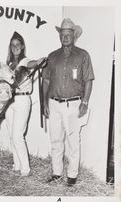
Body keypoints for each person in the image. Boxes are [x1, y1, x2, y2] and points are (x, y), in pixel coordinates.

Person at [42, 18, 95, 186]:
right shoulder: (52, 56)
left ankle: (72, 176)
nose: (65, 37)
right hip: (54, 104)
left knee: (73, 142)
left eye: (68, 34)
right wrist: (44, 102)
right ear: (60, 36)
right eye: (62, 34)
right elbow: (46, 82)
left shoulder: (83, 55)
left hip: (74, 105)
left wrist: (84, 102)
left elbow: (88, 80)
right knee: (56, 141)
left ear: (74, 36)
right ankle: (57, 173)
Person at [5, 31, 45, 176]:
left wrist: (39, 61)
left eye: (18, 45)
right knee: (11, 135)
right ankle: (17, 165)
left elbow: (32, 63)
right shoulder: (8, 64)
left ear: (22, 47)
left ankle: (25, 170)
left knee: (17, 136)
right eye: (13, 45)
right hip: (10, 101)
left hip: (22, 100)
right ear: (10, 47)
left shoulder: (25, 61)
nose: (15, 47)